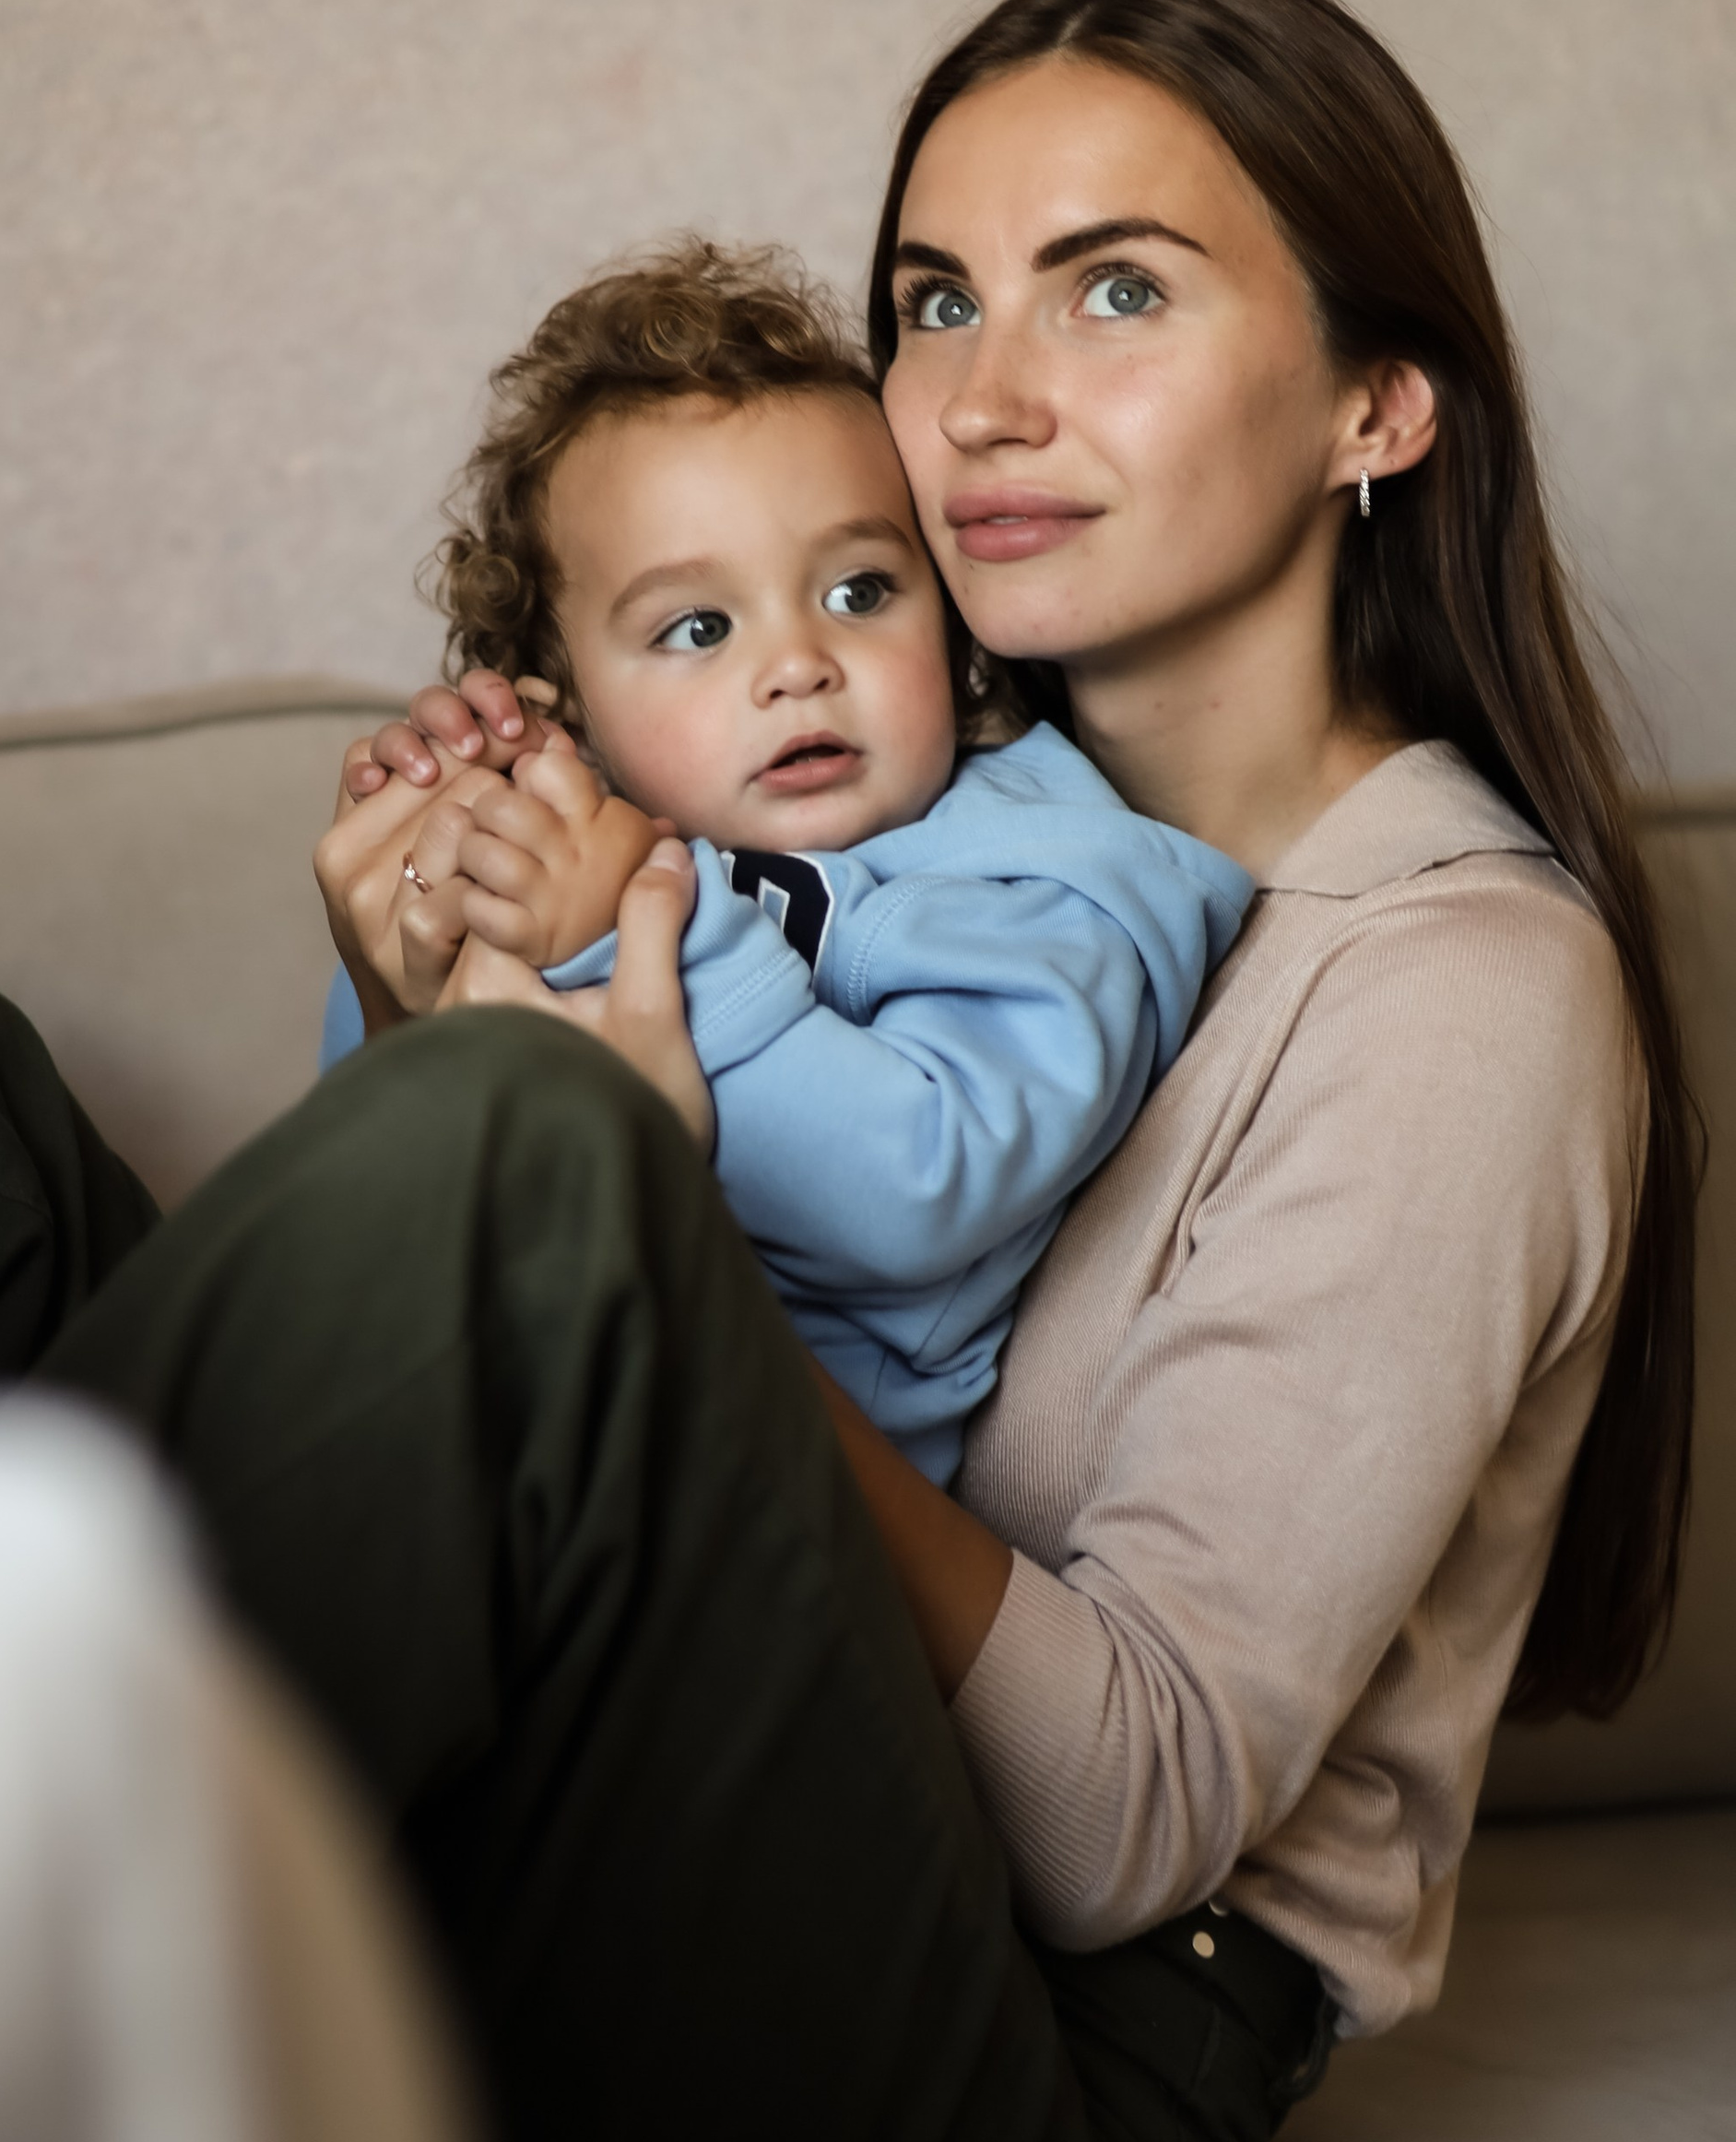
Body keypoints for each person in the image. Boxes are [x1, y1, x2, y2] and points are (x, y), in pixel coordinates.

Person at [0, 0, 1694, 2142]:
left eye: (1117, 289)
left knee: (534, 1155)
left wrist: (602, 1187)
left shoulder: (1458, 984)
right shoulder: (882, 798)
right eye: (938, 298)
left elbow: (1130, 1813)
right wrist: (434, 1007)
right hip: (642, 1898)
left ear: (1379, 403)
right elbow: (530, 1415)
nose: (987, 398)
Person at [317, 234, 1256, 1479]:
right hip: (467, 1425)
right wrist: (413, 934)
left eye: (862, 592)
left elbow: (922, 1189)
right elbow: (375, 1182)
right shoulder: (567, 839)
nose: (798, 663)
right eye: (697, 626)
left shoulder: (1044, 873)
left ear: (963, 632)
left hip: (742, 1523)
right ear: (566, 706)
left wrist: (635, 933)